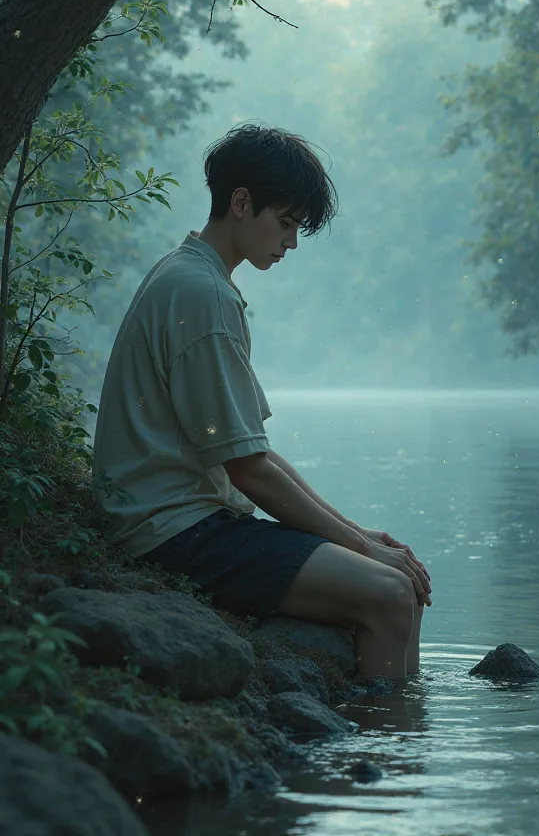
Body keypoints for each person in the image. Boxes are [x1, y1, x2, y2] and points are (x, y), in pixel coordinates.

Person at [92, 123, 431, 680]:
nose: (291, 243)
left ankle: (385, 738)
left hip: (192, 521)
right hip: (172, 533)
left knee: (393, 581)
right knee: (391, 594)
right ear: (242, 203)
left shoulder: (189, 275)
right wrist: (365, 551)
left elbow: (253, 451)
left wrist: (358, 534)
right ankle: (387, 752)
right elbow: (248, 470)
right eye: (287, 223)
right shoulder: (204, 295)